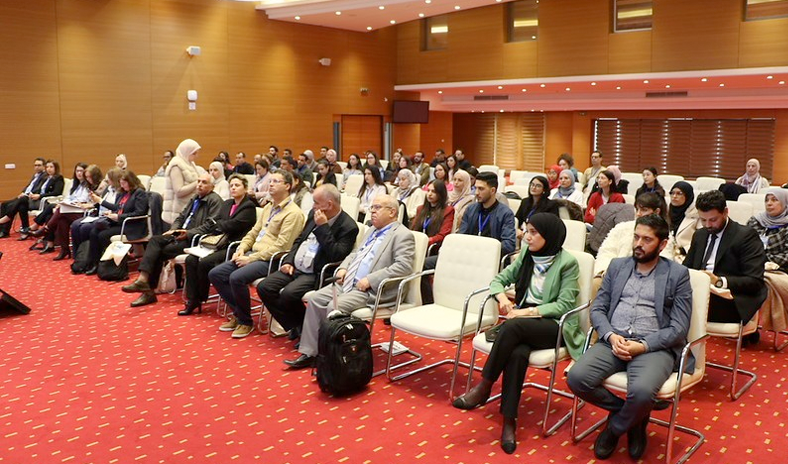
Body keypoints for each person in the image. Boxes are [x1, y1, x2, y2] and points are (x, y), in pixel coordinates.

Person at [566, 214, 693, 461]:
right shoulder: (617, 266)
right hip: (613, 340)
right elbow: (598, 308)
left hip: (654, 347)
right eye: (636, 237)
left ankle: (615, 428)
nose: (638, 244)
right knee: (577, 378)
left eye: (647, 240)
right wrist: (611, 335)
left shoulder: (677, 274)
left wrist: (642, 346)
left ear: (662, 244)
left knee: (643, 393)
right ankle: (635, 416)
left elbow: (679, 327)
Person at [452, 214, 582, 454]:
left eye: (533, 232)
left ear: (549, 236)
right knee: (517, 353)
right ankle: (509, 421)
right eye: (526, 230)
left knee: (512, 327)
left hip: (554, 324)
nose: (527, 237)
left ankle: (485, 386)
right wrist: (502, 298)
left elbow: (564, 305)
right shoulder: (526, 255)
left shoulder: (568, 263)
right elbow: (499, 280)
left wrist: (524, 312)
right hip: (523, 325)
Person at [283, 195, 415, 369]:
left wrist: (371, 280)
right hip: (349, 282)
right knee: (315, 299)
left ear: (392, 212)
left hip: (371, 291)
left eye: (377, 208)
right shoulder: (372, 230)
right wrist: (343, 268)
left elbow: (403, 266)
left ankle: (333, 358)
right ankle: (310, 353)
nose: (372, 211)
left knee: (334, 307)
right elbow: (355, 254)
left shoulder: (403, 235)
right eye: (372, 208)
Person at [209, 171, 306, 338]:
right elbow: (253, 233)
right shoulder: (268, 207)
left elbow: (282, 246)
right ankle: (239, 314)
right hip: (253, 254)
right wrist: (241, 248)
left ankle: (245, 322)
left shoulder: (293, 213)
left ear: (287, 186)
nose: (271, 184)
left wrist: (250, 258)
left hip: (271, 260)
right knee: (216, 274)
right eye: (270, 181)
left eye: (276, 181)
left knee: (236, 277)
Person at [257, 184, 358, 337]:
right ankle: (299, 326)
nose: (313, 206)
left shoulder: (348, 226)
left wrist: (323, 227)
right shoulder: (313, 213)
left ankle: (305, 331)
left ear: (329, 204)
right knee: (265, 287)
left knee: (288, 294)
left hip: (316, 272)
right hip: (296, 266)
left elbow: (336, 255)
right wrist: (289, 261)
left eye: (316, 202)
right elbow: (299, 240)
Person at [121, 173, 223, 307]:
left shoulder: (215, 200)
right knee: (154, 241)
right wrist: (173, 229)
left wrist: (188, 233)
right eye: (198, 181)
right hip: (179, 234)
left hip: (193, 239)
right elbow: (181, 217)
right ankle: (143, 282)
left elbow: (210, 226)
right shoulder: (195, 198)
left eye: (204, 182)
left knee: (157, 252)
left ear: (212, 186)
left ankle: (147, 289)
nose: (199, 185)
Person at [684, 190, 767, 327]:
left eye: (713, 220)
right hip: (701, 292)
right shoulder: (700, 235)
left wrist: (718, 281)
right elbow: (687, 268)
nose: (708, 225)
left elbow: (755, 281)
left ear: (725, 212)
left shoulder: (745, 236)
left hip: (731, 297)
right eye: (703, 220)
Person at [180, 175, 257, 316]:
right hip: (218, 243)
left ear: (245, 188)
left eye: (237, 185)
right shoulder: (227, 203)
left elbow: (233, 226)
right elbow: (216, 222)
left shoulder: (249, 206)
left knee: (204, 262)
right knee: (191, 259)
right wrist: (221, 224)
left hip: (233, 246)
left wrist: (220, 224)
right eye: (231, 185)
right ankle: (192, 299)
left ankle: (200, 297)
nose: (233, 188)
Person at [82, 171, 148, 275]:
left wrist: (118, 216)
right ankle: (94, 263)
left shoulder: (139, 193)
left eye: (124, 183)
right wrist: (105, 207)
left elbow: (139, 213)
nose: (122, 186)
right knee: (94, 232)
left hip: (132, 225)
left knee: (103, 235)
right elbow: (118, 208)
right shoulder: (124, 193)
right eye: (121, 183)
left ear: (131, 182)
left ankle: (110, 265)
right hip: (120, 223)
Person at [33, 164, 102, 260]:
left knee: (60, 212)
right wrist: (65, 203)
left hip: (85, 212)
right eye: (77, 171)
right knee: (62, 219)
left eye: (82, 172)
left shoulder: (96, 186)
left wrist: (87, 204)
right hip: (75, 209)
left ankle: (47, 229)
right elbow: (70, 197)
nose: (80, 174)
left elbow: (94, 202)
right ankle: (64, 249)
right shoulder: (76, 184)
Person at [595, 192, 673, 278]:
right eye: (637, 209)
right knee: (596, 282)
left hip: (645, 278)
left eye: (644, 210)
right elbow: (606, 252)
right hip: (613, 275)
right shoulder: (621, 228)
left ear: (657, 212)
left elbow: (662, 263)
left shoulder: (663, 234)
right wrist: (607, 271)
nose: (638, 214)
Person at [69, 166, 121, 264]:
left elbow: (116, 207)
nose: (107, 181)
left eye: (109, 180)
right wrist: (93, 203)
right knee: (75, 225)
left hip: (109, 218)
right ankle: (78, 257)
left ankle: (88, 258)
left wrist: (99, 200)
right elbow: (100, 203)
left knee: (85, 228)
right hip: (100, 215)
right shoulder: (108, 189)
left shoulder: (120, 192)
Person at [16, 160, 66, 240]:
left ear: (56, 168)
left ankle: (28, 227)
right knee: (22, 205)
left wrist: (40, 196)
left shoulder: (58, 178)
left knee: (22, 201)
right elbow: (38, 189)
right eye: (47, 167)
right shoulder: (45, 178)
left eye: (51, 167)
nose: (49, 169)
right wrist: (32, 194)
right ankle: (27, 228)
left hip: (46, 201)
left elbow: (57, 192)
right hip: (38, 200)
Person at [0, 158, 47, 238]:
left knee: (20, 204)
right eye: (35, 165)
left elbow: (37, 189)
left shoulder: (45, 176)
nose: (37, 167)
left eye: (39, 165)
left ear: (44, 166)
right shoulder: (35, 175)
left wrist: (26, 194)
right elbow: (29, 187)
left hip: (33, 199)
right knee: (5, 204)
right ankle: (3, 229)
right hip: (25, 197)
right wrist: (23, 192)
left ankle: (5, 228)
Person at [747, 188, 788, 272]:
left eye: (774, 200)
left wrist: (762, 260)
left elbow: (786, 256)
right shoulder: (754, 221)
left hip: (779, 269)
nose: (769, 203)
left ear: (785, 203)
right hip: (750, 265)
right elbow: (743, 244)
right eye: (766, 200)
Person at [163, 139, 202, 225]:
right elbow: (179, 191)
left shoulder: (190, 163)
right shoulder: (176, 166)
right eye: (194, 153)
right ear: (186, 152)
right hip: (177, 214)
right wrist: (198, 182)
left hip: (187, 210)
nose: (197, 156)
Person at [411, 180, 454, 249]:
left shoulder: (448, 211)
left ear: (441, 194)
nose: (429, 194)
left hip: (433, 247)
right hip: (417, 244)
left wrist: (427, 241)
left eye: (433, 191)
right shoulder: (420, 209)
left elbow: (443, 235)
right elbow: (414, 229)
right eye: (428, 191)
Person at [514, 176, 559, 241]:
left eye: (538, 186)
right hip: (524, 234)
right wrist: (517, 229)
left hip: (541, 237)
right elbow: (517, 219)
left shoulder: (551, 205)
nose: (533, 187)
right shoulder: (525, 202)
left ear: (544, 189)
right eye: (532, 184)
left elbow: (552, 226)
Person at [667, 181, 701, 262]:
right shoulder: (666, 212)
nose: (674, 196)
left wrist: (683, 250)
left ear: (688, 196)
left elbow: (701, 240)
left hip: (686, 255)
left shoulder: (697, 214)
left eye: (679, 193)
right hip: (666, 251)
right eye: (672, 193)